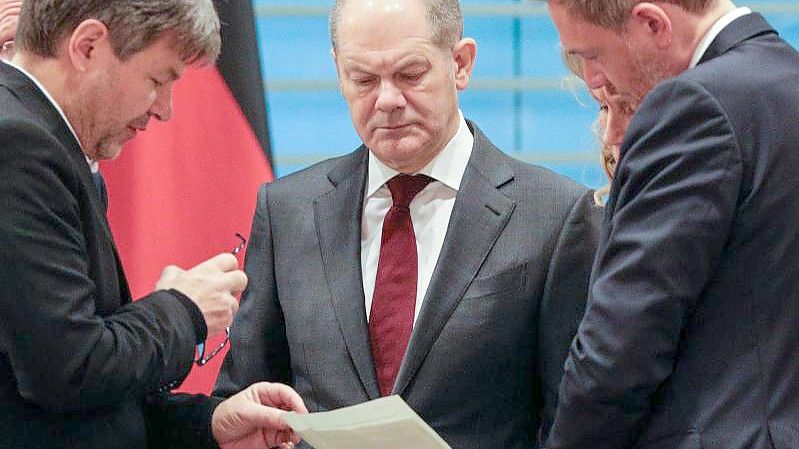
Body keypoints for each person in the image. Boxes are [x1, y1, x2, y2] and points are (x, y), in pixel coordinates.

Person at [214, 0, 601, 447]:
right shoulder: (287, 211)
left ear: (460, 63)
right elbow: (247, 402)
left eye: (410, 74)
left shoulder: (557, 215)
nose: (388, 100)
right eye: (363, 79)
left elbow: (573, 423)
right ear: (338, 72)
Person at [0, 1, 307, 448]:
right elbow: (70, 368)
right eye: (158, 80)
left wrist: (210, 423)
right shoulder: (19, 145)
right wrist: (183, 309)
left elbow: (82, 400)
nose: (164, 110)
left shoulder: (51, 144)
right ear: (88, 47)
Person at [542, 0, 799, 448]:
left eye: (592, 54)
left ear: (651, 24)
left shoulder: (692, 107)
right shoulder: (785, 83)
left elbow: (620, 351)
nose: (592, 79)